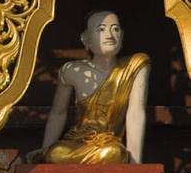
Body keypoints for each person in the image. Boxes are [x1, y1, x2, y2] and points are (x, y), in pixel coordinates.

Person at [37, 10, 150, 164]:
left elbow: (135, 113)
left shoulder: (134, 65)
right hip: (77, 142)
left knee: (115, 153)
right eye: (101, 29)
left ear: (122, 36)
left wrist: (135, 163)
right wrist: (45, 150)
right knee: (55, 153)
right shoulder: (71, 70)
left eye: (115, 29)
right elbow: (58, 113)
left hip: (108, 144)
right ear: (86, 39)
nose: (109, 35)